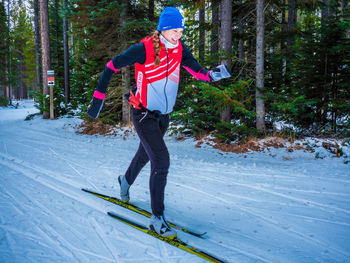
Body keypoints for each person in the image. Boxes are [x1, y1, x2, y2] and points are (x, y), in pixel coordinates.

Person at [87, 7, 231, 239]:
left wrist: (214, 74)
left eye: (181, 30)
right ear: (164, 29)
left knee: (146, 154)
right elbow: (111, 66)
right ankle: (156, 218)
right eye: (175, 30)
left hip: (163, 116)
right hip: (143, 113)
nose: (179, 35)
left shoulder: (179, 49)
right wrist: (98, 98)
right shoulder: (143, 48)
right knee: (161, 160)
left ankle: (124, 181)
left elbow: (198, 72)